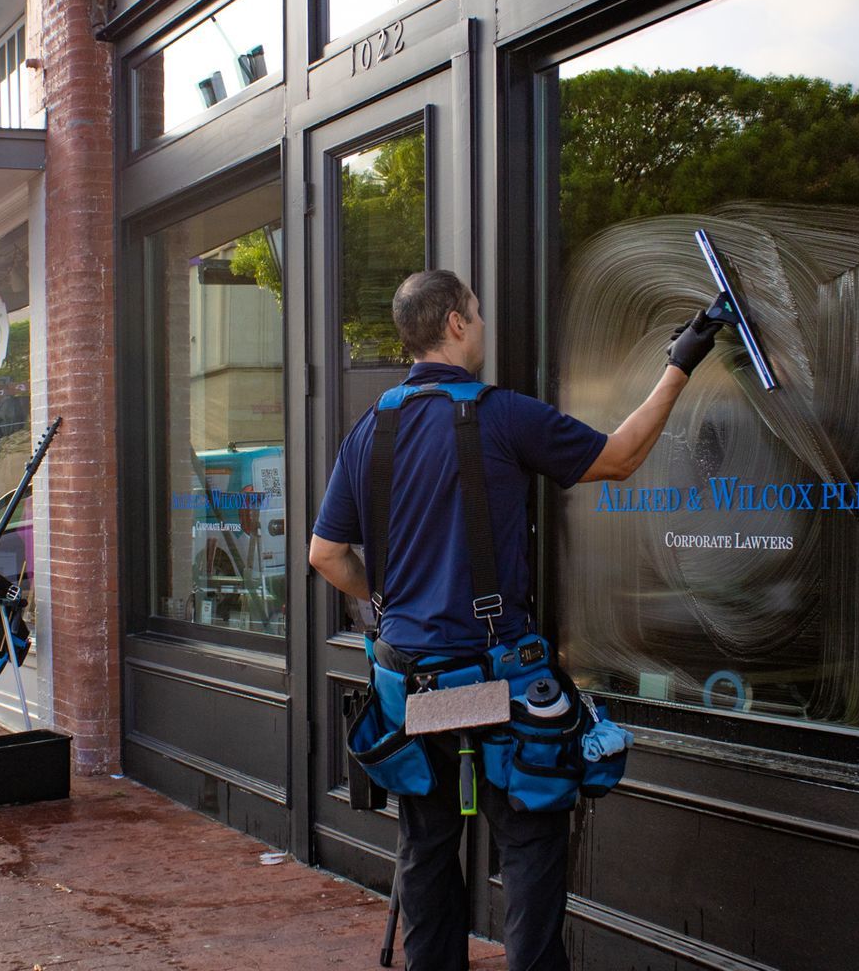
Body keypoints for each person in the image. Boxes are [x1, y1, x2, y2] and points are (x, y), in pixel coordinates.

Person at [308, 269, 725, 971]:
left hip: (410, 687)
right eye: (477, 311)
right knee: (531, 838)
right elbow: (619, 458)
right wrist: (681, 363)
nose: (482, 324)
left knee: (428, 842)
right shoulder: (498, 414)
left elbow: (325, 555)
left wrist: (393, 598)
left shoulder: (368, 432)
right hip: (492, 686)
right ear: (455, 325)